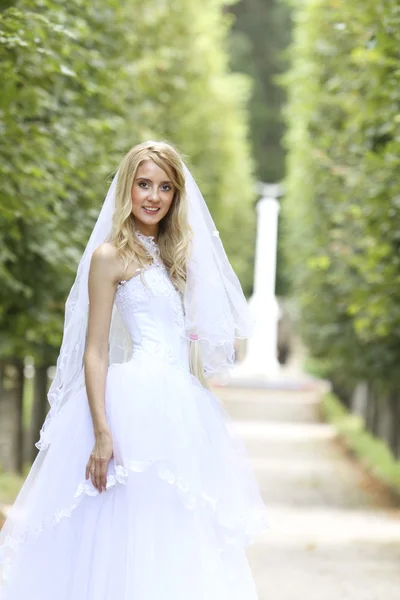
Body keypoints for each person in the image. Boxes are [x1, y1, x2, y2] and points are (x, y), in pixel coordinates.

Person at [0, 140, 269, 600]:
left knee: (174, 531)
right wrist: (102, 432)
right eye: (144, 184)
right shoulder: (110, 256)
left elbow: (203, 330)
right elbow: (96, 351)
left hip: (179, 404)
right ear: (128, 187)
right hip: (130, 406)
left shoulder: (174, 256)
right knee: (120, 525)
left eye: (165, 187)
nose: (154, 196)